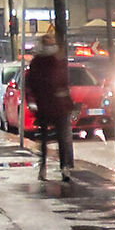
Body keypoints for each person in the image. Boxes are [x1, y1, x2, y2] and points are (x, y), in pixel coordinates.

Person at [23, 37, 73, 181]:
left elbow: (31, 84)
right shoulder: (57, 61)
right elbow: (63, 83)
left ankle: (45, 167)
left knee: (46, 139)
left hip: (45, 104)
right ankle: (63, 168)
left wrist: (33, 100)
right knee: (61, 138)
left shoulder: (38, 62)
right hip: (56, 105)